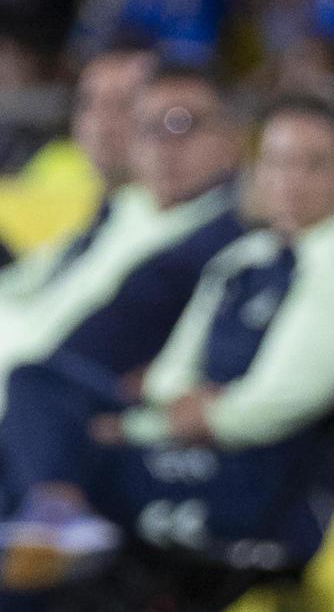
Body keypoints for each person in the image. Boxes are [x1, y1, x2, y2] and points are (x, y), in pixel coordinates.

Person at [0, 94, 334, 612]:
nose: (289, 181)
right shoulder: (244, 261)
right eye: (277, 163)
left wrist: (173, 420)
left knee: (26, 480)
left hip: (255, 486)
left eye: (313, 165)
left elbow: (274, 404)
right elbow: (169, 381)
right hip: (184, 458)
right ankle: (54, 517)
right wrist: (148, 416)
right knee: (38, 386)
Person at [0, 56, 244, 405]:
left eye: (181, 124)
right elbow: (36, 286)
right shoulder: (126, 206)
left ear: (232, 136)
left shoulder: (224, 237)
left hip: (46, 391)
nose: (164, 146)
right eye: (147, 127)